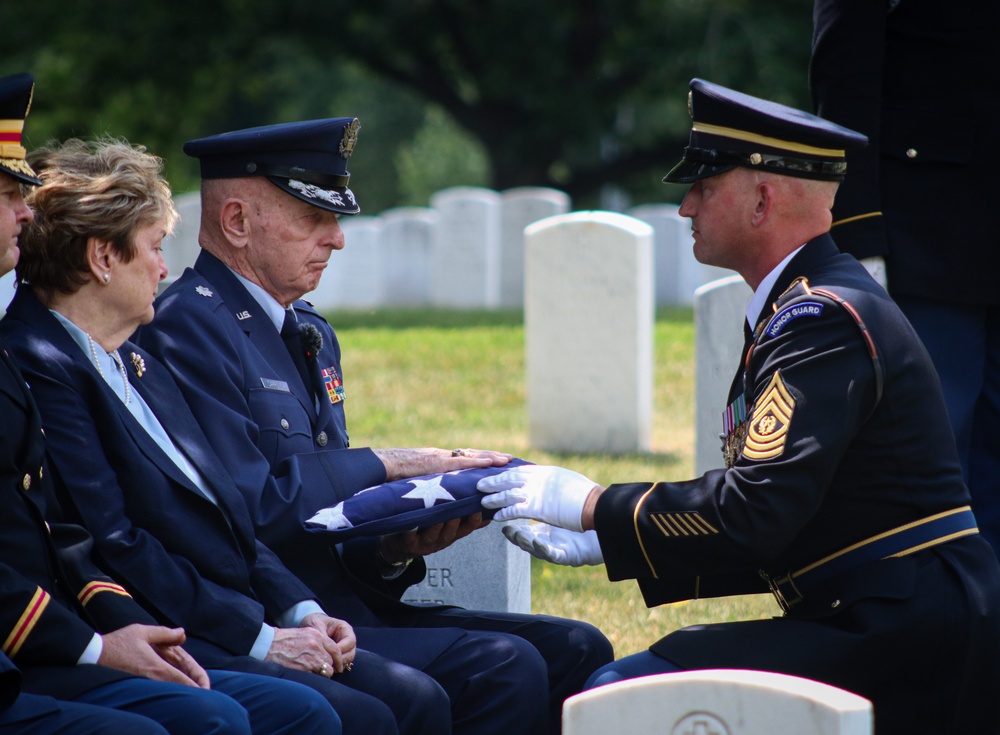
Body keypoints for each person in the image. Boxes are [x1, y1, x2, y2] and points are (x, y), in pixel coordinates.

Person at [476, 79, 1000, 734]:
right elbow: (789, 522)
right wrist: (611, 538)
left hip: (904, 634)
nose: (685, 206)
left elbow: (756, 511)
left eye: (704, 185)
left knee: (627, 692)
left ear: (762, 198)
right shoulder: (810, 304)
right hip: (880, 611)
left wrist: (591, 504)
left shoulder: (820, 317)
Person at [133, 117, 613, 734]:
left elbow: (329, 515)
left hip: (348, 605)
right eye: (313, 219)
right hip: (272, 616)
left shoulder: (306, 330)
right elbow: (251, 510)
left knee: (579, 647)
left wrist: (390, 548)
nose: (336, 239)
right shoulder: (187, 327)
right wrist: (393, 463)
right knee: (504, 666)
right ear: (236, 222)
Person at [0, 135, 450, 735]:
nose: (165, 268)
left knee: (413, 700)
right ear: (103, 259)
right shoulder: (40, 361)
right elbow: (115, 540)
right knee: (349, 715)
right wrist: (261, 638)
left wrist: (301, 609)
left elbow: (230, 517)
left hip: (232, 612)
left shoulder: (135, 360)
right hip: (166, 620)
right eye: (154, 248)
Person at [809, 0, 1000, 558]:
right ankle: (937, 619)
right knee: (931, 456)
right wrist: (862, 237)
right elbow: (845, 68)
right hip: (928, 231)